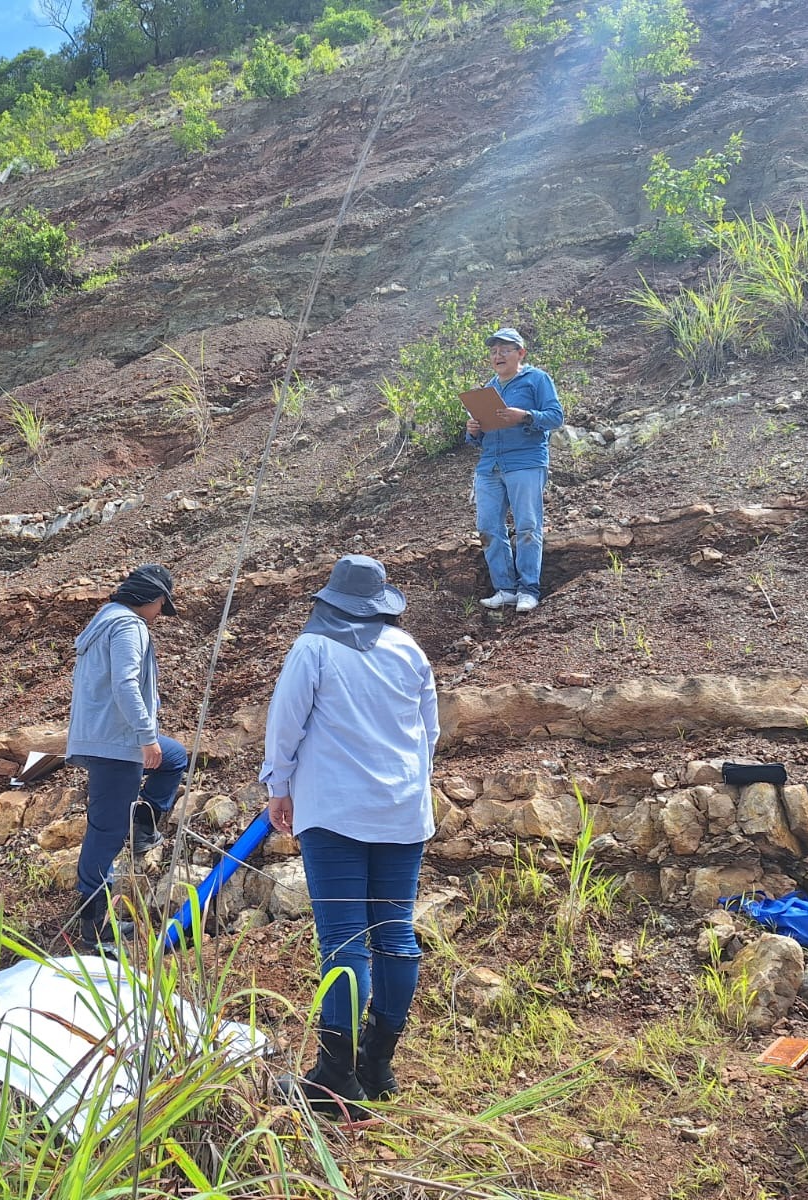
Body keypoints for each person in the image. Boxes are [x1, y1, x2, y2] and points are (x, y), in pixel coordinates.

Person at [259, 555, 438, 1119]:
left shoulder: (313, 648)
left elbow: (285, 723)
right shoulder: (409, 651)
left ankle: (335, 1079)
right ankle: (377, 1066)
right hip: (402, 812)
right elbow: (428, 732)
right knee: (395, 934)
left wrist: (279, 785)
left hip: (334, 811)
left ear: (329, 601)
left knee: (342, 940)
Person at [64, 563, 189, 945]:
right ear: (154, 598)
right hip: (117, 743)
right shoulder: (128, 626)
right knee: (105, 830)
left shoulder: (105, 618)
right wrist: (146, 735)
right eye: (161, 607)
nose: (159, 616)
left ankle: (143, 827)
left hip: (100, 737)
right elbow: (126, 683)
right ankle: (95, 926)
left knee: (175, 758)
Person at [463, 326, 564, 613]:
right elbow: (477, 438)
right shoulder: (487, 388)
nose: (498, 355)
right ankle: (505, 589)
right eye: (494, 351)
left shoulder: (537, 379)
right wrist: (473, 430)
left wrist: (525, 416)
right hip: (489, 465)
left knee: (527, 526)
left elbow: (556, 416)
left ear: (520, 353)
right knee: (487, 527)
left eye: (504, 350)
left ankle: (528, 590)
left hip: (526, 461)